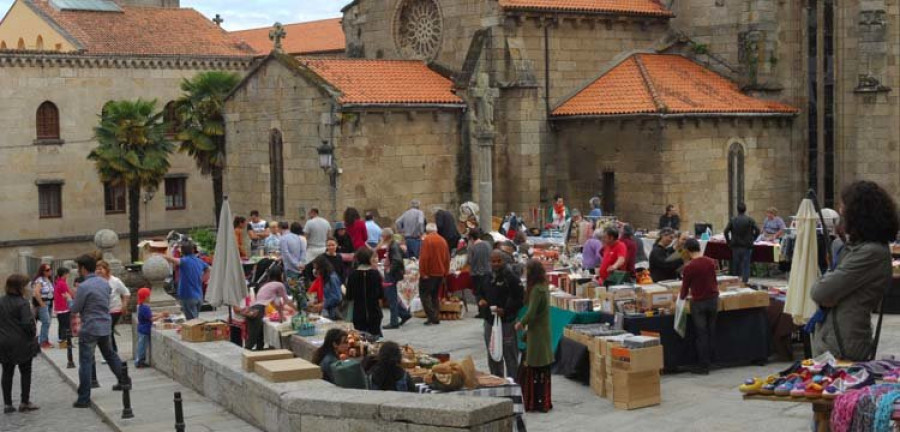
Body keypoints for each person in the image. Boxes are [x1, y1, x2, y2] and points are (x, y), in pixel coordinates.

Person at [811, 181, 900, 361]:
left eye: (844, 208)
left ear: (858, 214)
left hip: (843, 345)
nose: (840, 212)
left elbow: (820, 291)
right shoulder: (857, 248)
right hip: (834, 340)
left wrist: (831, 293)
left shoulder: (870, 252)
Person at [71, 254, 129, 408]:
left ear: (83, 268)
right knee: (110, 354)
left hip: (90, 326)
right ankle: (124, 380)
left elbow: (75, 308)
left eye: (78, 268)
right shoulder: (104, 283)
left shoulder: (83, 286)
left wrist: (72, 301)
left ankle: (84, 398)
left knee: (85, 361)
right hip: (105, 324)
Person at [479, 250, 524, 379]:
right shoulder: (486, 276)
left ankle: (513, 383)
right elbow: (480, 292)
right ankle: (496, 380)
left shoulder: (512, 278)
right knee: (493, 353)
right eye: (493, 261)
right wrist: (481, 301)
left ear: (504, 261)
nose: (496, 264)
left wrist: (505, 310)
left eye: (499, 261)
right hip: (490, 322)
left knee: (509, 354)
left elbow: (519, 300)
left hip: (507, 322)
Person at [515, 260, 553, 412]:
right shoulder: (544, 287)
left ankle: (534, 401)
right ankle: (542, 400)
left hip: (536, 333)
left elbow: (531, 313)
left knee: (533, 366)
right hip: (542, 331)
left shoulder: (537, 290)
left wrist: (521, 323)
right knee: (541, 366)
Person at [0, 274, 40, 413]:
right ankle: (24, 402)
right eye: (27, 285)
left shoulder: (1, 301)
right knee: (25, 371)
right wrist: (33, 333)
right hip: (22, 341)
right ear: (20, 287)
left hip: (4, 341)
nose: (29, 287)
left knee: (7, 372)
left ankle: (7, 404)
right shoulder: (22, 303)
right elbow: (26, 323)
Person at [679, 238, 719, 375]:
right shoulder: (711, 262)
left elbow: (684, 289)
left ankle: (703, 366)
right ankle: (712, 360)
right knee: (711, 331)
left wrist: (681, 299)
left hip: (699, 303)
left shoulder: (689, 267)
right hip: (713, 300)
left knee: (701, 335)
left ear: (688, 251)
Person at [163, 242, 210, 321]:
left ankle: (195, 333)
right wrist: (203, 279)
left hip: (188, 296)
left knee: (192, 322)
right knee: (195, 320)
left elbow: (172, 259)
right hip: (199, 296)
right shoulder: (199, 261)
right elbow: (208, 269)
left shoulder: (184, 261)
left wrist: (161, 255)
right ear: (192, 250)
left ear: (182, 252)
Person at [245, 266, 289, 351]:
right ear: (280, 275)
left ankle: (258, 357)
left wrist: (281, 315)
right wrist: (297, 308)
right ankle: (243, 358)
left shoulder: (265, 285)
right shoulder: (279, 284)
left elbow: (276, 304)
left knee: (259, 338)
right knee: (252, 340)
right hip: (258, 312)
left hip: (254, 309)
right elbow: (286, 300)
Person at [346, 248, 384, 338]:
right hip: (374, 312)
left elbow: (349, 296)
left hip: (358, 313)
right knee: (374, 339)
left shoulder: (352, 275)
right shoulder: (375, 274)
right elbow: (381, 294)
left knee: (360, 340)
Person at [418, 223, 449, 325]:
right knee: (435, 296)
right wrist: (445, 272)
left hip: (429, 273)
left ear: (427, 231)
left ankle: (432, 316)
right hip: (440, 272)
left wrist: (423, 273)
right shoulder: (443, 240)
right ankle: (435, 316)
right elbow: (447, 258)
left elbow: (424, 258)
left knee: (424, 295)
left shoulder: (427, 240)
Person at [96, 260, 130, 355]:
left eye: (100, 269)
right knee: (107, 330)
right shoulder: (96, 281)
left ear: (106, 270)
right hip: (102, 310)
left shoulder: (115, 281)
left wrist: (124, 305)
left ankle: (111, 352)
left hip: (115, 309)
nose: (98, 271)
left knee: (108, 329)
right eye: (97, 269)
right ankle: (112, 351)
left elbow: (126, 293)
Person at [381, 229, 412, 329]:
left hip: (391, 275)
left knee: (391, 297)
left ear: (386, 236)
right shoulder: (393, 245)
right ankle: (404, 314)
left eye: (382, 236)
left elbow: (397, 259)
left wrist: (390, 269)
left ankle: (394, 322)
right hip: (392, 274)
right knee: (391, 296)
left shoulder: (393, 246)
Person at [724, 202, 760, 283]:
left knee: (736, 265)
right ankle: (745, 282)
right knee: (746, 266)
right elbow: (758, 230)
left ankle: (735, 282)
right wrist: (753, 238)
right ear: (745, 210)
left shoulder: (733, 220)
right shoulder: (750, 220)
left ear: (737, 210)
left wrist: (728, 242)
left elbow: (726, 231)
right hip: (747, 246)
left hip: (736, 246)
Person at [134, 287, 167, 368]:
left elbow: (150, 315)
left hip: (142, 329)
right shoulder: (145, 307)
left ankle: (141, 361)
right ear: (145, 297)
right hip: (144, 330)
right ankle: (139, 361)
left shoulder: (142, 306)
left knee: (142, 345)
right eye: (148, 296)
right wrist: (161, 315)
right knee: (142, 346)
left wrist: (159, 314)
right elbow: (151, 318)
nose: (150, 297)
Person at [280, 222, 307, 309]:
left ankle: (296, 308)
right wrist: (301, 263)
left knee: (292, 289)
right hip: (299, 268)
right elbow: (303, 251)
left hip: (290, 268)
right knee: (300, 289)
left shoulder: (284, 238)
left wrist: (295, 264)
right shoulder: (301, 238)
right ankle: (303, 307)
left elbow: (286, 254)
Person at [467, 228, 493, 318]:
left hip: (476, 273)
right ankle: (488, 311)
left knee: (479, 293)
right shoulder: (487, 244)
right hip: (488, 271)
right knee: (487, 292)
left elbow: (470, 260)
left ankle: (482, 312)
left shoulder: (472, 247)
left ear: (471, 237)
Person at [313, 255, 344, 320]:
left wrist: (323, 304)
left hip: (334, 313)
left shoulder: (332, 278)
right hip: (327, 311)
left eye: (317, 269)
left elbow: (337, 297)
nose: (316, 271)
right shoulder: (324, 278)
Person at [31, 263, 53, 349]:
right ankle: (43, 341)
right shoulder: (40, 280)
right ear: (42, 271)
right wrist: (42, 304)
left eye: (50, 269)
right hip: (43, 304)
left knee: (48, 322)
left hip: (49, 303)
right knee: (46, 322)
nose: (50, 271)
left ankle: (45, 340)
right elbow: (36, 292)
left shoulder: (48, 279)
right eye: (47, 270)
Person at [53, 267, 73, 347]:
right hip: (63, 307)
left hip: (60, 308)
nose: (68, 275)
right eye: (67, 273)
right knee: (66, 325)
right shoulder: (62, 283)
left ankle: (63, 342)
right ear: (64, 274)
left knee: (62, 325)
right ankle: (65, 343)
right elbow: (67, 294)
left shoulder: (59, 282)